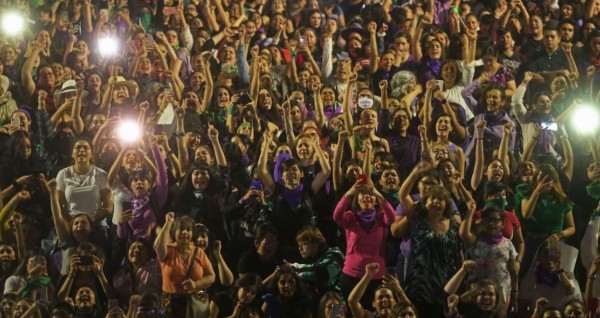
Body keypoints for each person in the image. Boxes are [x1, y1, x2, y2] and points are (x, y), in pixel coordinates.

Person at [154, 212, 215, 317]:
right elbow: (157, 246)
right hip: (170, 303)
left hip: (195, 301)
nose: (185, 232)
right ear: (174, 231)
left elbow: (211, 276)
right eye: (181, 229)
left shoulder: (199, 252)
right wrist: (168, 223)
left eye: (188, 229)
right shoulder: (168, 250)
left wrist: (196, 284)